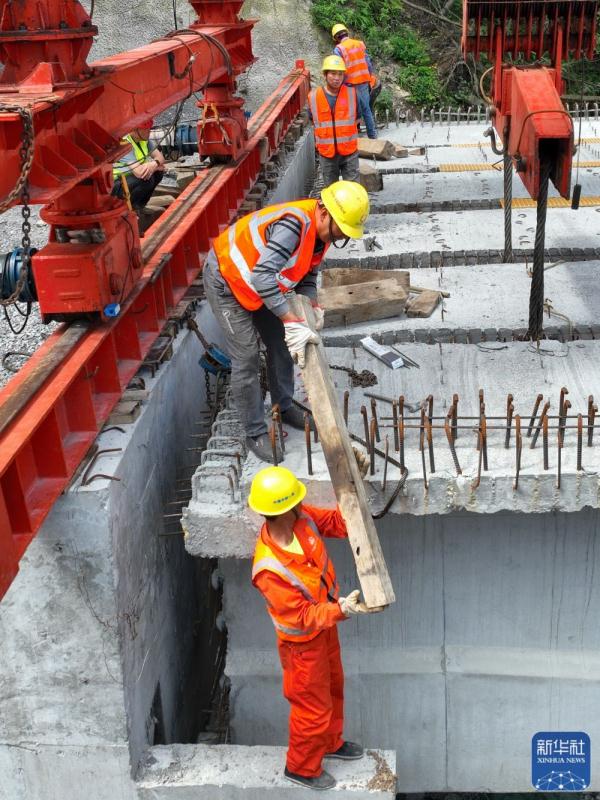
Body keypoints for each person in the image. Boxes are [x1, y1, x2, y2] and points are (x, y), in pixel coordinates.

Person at [203, 181, 369, 463]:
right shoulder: (294, 226)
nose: (339, 237)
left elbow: (307, 276)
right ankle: (255, 431)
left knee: (280, 340)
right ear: (324, 212)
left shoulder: (323, 234)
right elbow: (261, 276)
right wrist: (289, 318)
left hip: (259, 285)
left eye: (345, 234)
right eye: (340, 229)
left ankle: (284, 404)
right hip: (228, 280)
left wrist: (310, 305)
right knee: (247, 356)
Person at [249, 466, 372, 790]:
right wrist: (340, 609)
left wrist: (354, 484)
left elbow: (340, 524)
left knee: (333, 687)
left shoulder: (302, 521)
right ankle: (301, 768)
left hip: (325, 628)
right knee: (311, 707)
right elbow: (301, 617)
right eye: (295, 504)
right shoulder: (268, 569)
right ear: (282, 510)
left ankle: (330, 743)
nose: (301, 507)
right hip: (302, 646)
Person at [308, 56, 359, 188]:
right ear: (325, 75)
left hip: (349, 152)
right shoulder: (314, 97)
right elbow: (312, 119)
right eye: (333, 73)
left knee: (353, 190)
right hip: (327, 154)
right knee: (331, 192)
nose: (337, 78)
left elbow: (358, 117)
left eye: (340, 74)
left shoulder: (352, 94)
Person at [331, 23, 378, 140]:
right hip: (363, 81)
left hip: (349, 84)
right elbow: (368, 63)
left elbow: (338, 69)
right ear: (347, 33)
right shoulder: (359, 44)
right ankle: (372, 136)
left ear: (336, 38)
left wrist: (337, 85)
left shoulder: (339, 49)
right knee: (366, 109)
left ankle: (351, 137)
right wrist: (369, 77)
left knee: (350, 111)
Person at [112, 118, 166, 213]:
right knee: (146, 179)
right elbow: (139, 173)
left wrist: (154, 164)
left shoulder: (144, 140)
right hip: (117, 185)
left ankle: (139, 206)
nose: (149, 131)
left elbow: (160, 158)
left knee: (158, 173)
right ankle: (128, 210)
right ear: (135, 130)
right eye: (146, 129)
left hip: (130, 179)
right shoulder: (124, 143)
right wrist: (156, 166)